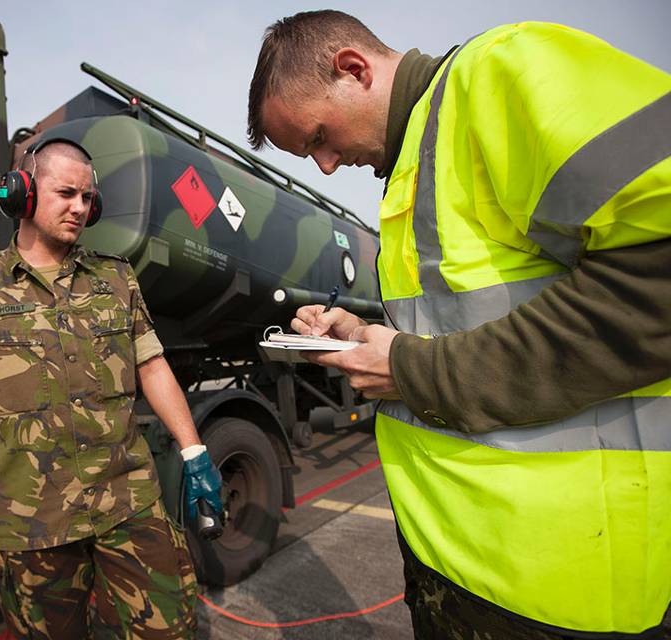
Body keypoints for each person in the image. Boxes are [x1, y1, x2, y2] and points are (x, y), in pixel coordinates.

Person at [247, 10, 671, 639]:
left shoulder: (501, 73)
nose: (328, 166)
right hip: (464, 575)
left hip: (571, 592)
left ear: (353, 69)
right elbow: (468, 317)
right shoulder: (416, 162)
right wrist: (364, 335)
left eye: (317, 138)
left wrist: (405, 367)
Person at [0, 139, 222, 639]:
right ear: (23, 193)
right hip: (28, 524)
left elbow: (152, 366)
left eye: (88, 198)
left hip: (128, 503)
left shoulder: (116, 279)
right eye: (66, 193)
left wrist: (194, 451)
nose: (80, 207)